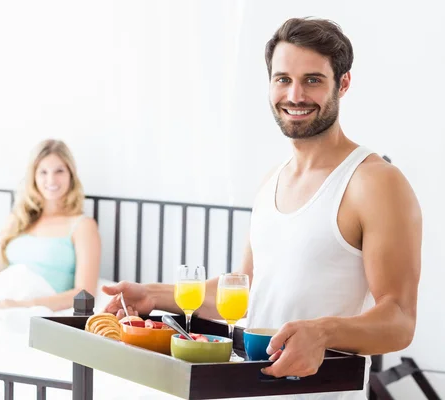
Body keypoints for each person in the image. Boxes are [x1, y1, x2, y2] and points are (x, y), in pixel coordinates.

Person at [102, 17, 422, 399]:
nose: (296, 95)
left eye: (313, 80)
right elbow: (248, 289)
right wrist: (153, 295)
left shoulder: (376, 182)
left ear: (344, 83)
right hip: (245, 389)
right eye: (283, 79)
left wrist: (322, 332)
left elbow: (399, 319)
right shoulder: (273, 178)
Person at [0, 139, 101, 312]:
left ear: (71, 175)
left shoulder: (83, 226)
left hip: (32, 311)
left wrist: (19, 306)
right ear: (34, 176)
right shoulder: (18, 219)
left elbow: (85, 293)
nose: (51, 179)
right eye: (43, 172)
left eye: (59, 171)